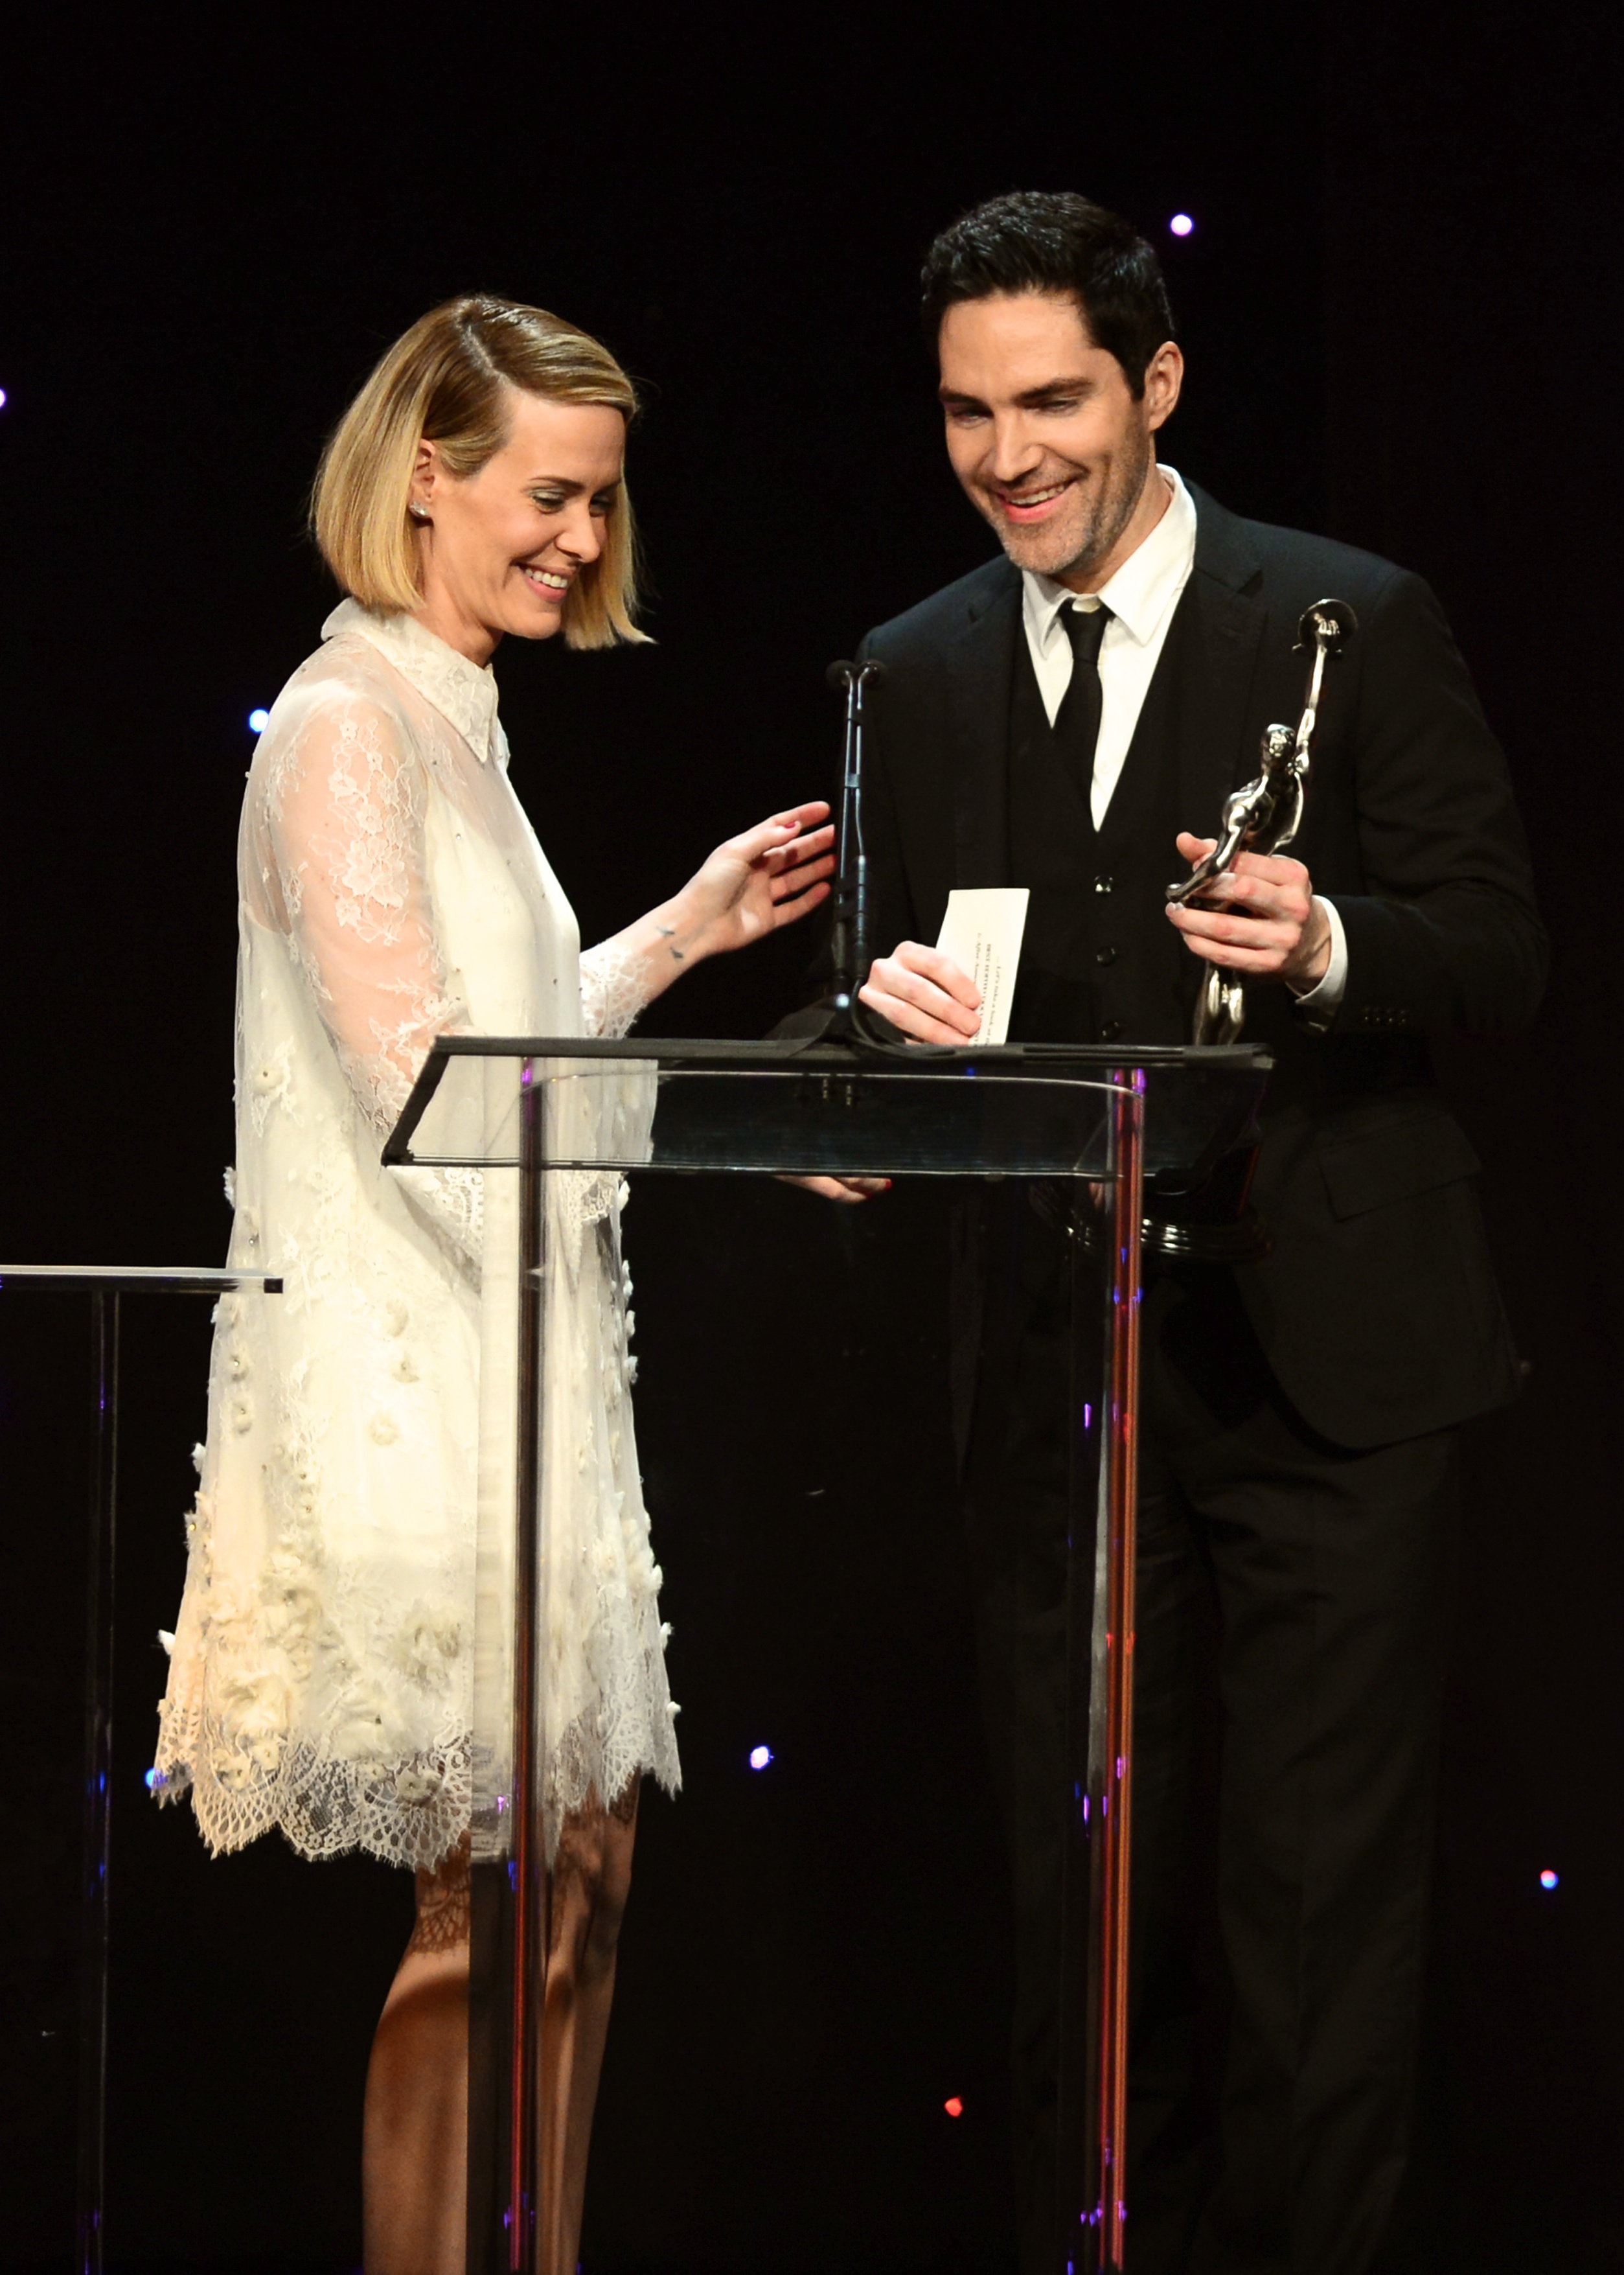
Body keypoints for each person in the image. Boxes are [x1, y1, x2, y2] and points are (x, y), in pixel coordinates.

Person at [842, 195, 1547, 2274]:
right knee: (1089, 1903)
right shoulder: (913, 665)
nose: (1007, 455)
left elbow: (1495, 949)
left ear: (1154, 384)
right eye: (968, 412)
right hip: (1062, 1371)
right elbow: (899, 983)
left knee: (1317, 1915)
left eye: (1051, 399)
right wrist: (852, 1075)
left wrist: (1332, 938)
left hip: (1331, 1358)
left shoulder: (1349, 617)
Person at [150, 295, 835, 2275]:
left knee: (579, 1881)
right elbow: (422, 1094)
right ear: (425, 479)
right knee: (488, 1903)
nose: (580, 542)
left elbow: (497, 1031)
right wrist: (719, 1118)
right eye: (547, 496)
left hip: (519, 1361)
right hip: (415, 1387)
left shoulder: (448, 718)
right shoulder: (349, 724)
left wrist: (676, 940)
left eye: (601, 506)